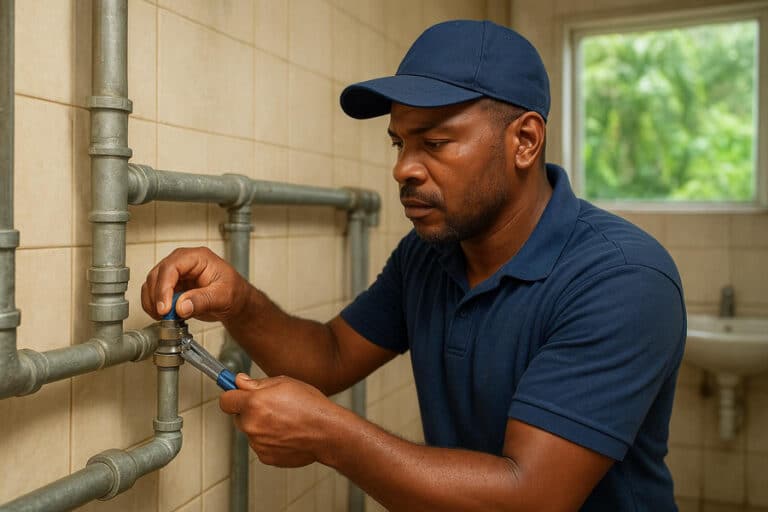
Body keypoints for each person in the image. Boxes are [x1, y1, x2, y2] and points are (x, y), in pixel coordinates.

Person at [142, 20, 685, 511]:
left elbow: (531, 496)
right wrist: (240, 302)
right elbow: (329, 357)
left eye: (435, 142)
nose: (403, 168)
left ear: (524, 141)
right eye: (400, 142)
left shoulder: (622, 278)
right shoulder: (430, 253)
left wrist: (332, 435)